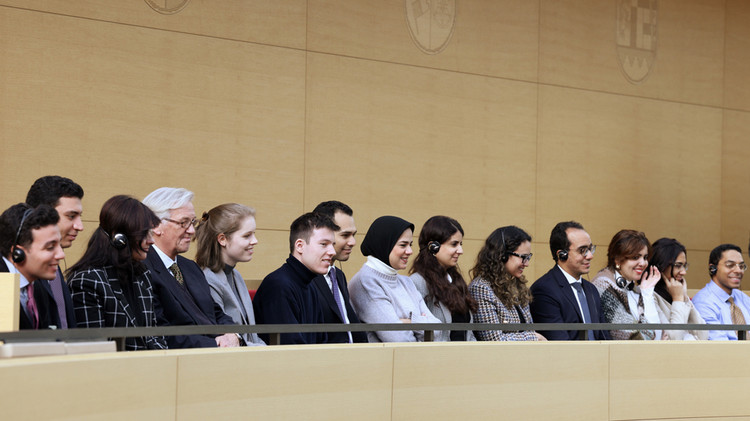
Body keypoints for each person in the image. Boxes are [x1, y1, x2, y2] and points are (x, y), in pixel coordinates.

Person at [143, 187, 241, 348]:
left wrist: (233, 335)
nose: (191, 231)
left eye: (193, 222)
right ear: (155, 225)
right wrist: (214, 345)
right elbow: (161, 332)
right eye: (183, 223)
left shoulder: (190, 267)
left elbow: (215, 313)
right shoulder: (142, 269)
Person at [66, 196, 167, 350]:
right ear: (120, 238)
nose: (151, 241)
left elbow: (154, 335)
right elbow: (94, 349)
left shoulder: (142, 275)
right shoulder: (86, 281)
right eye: (144, 234)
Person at [348, 216, 444, 342]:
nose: (409, 251)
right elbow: (398, 338)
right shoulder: (365, 282)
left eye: (410, 245)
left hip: (416, 358)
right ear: (384, 243)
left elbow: (437, 329)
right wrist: (421, 323)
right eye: (403, 245)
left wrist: (408, 322)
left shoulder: (406, 282)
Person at [252, 212, 335, 344]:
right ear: (300, 246)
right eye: (324, 244)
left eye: (332, 245)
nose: (332, 252)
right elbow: (289, 348)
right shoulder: (279, 285)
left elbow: (321, 340)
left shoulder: (310, 284)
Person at [194, 203, 265, 346]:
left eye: (254, 234)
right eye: (247, 236)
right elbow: (224, 339)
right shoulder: (207, 280)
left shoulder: (235, 275)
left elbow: (252, 336)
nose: (255, 241)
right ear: (222, 239)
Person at [530, 221, 609, 340]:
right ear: (562, 254)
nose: (590, 256)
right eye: (582, 250)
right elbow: (559, 343)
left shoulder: (591, 289)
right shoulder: (544, 290)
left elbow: (604, 336)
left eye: (590, 249)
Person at [25, 175, 84, 329]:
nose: (80, 226)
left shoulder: (55, 264)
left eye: (79, 217)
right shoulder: (17, 271)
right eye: (71, 216)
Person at [469, 226, 544, 341]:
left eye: (528, 257)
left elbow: (529, 329)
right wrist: (534, 338)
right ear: (503, 255)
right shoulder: (481, 288)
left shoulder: (517, 284)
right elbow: (493, 339)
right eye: (523, 257)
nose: (527, 264)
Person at [409, 216, 476, 341]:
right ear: (433, 247)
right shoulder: (418, 282)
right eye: (454, 244)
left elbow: (469, 334)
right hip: (437, 358)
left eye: (460, 244)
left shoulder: (456, 281)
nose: (460, 250)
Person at [0, 204, 65, 329]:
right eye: (50, 247)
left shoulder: (39, 287)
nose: (61, 255)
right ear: (17, 254)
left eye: (59, 245)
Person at [591, 230, 665, 340]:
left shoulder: (637, 289)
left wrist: (647, 292)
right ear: (617, 260)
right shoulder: (603, 285)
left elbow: (660, 334)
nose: (643, 263)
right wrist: (655, 337)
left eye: (645, 257)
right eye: (635, 257)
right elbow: (633, 337)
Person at [311, 201, 367, 343]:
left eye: (353, 234)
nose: (353, 241)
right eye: (345, 235)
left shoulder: (338, 275)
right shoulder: (305, 279)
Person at [648, 238, 707, 340]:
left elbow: (704, 336)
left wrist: (684, 298)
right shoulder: (649, 296)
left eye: (684, 266)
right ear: (661, 265)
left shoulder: (677, 292)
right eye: (678, 266)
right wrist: (678, 300)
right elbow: (674, 340)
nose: (683, 272)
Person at [692, 244, 750, 340]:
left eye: (741, 266)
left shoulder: (743, 298)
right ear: (713, 268)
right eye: (730, 265)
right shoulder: (703, 302)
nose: (738, 270)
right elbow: (720, 344)